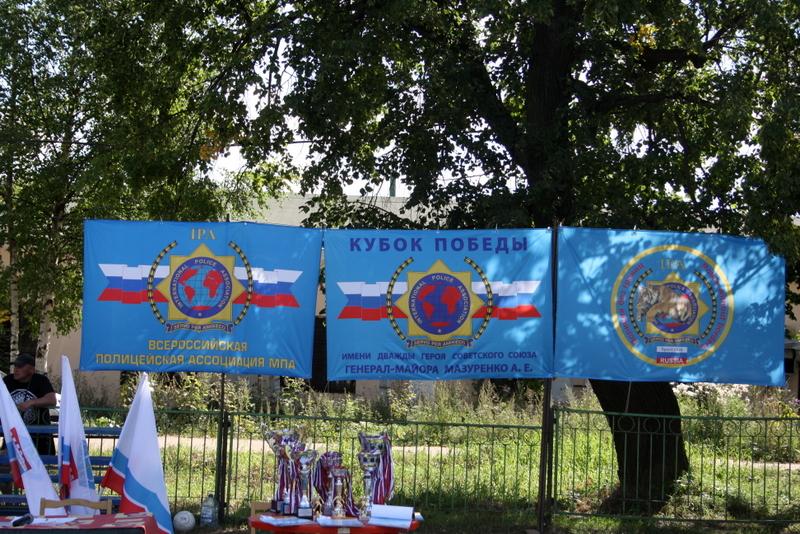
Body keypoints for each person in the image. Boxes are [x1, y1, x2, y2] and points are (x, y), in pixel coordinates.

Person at [2, 353, 57, 455]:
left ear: (31, 370)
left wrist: (32, 402)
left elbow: (52, 400)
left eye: (20, 366)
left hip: (38, 437)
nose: (16, 369)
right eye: (15, 366)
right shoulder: (7, 380)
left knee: (40, 463)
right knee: (9, 462)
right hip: (14, 435)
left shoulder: (41, 380)